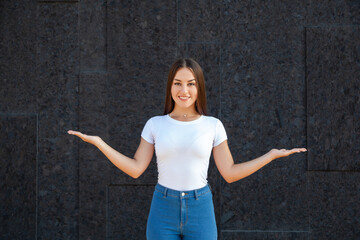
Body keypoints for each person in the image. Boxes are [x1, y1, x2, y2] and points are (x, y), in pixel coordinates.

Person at [68, 58, 307, 240]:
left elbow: (230, 173)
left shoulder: (213, 125)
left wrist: (271, 155)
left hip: (200, 207)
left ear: (199, 87)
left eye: (191, 84)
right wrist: (99, 143)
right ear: (170, 87)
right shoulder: (155, 124)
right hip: (163, 207)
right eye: (178, 83)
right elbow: (136, 168)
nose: (184, 91)